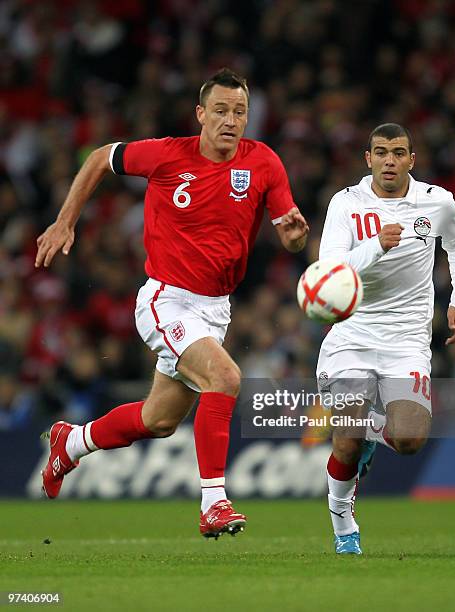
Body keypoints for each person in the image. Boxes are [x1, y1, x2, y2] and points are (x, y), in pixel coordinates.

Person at [35, 68, 309, 538]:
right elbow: (101, 158)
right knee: (225, 377)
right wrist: (66, 221)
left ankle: (71, 442)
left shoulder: (263, 162)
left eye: (239, 112)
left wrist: (294, 236)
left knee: (158, 420)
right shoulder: (166, 155)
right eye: (220, 110)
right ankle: (214, 504)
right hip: (167, 298)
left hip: (216, 308)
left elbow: (290, 233)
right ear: (201, 114)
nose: (230, 120)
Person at [316, 123, 455, 554]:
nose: (390, 160)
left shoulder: (435, 202)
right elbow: (329, 269)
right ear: (368, 158)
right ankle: (344, 525)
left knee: (408, 440)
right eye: (381, 152)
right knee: (346, 434)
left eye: (398, 153)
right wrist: (374, 247)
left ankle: (373, 435)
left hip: (406, 340)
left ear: (411, 160)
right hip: (352, 333)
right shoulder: (346, 204)